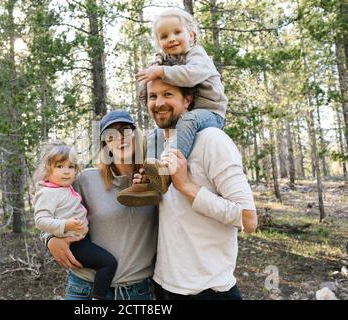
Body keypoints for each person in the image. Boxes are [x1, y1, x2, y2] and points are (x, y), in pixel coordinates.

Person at [133, 73, 257, 299]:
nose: (158, 103)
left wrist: (186, 186)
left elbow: (248, 219)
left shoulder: (212, 140)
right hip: (163, 285)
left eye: (167, 94)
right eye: (152, 96)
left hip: (208, 290)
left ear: (187, 100)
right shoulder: (159, 145)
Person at [40, 110, 158, 300]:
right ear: (105, 145)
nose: (120, 138)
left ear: (137, 136)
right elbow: (49, 207)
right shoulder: (87, 180)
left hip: (136, 292)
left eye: (126, 130)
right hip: (86, 289)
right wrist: (49, 238)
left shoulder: (155, 180)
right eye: (111, 135)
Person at [118, 8, 227, 206]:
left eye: (177, 32)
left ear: (191, 35)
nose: (172, 39)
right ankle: (148, 179)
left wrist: (160, 71)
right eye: (164, 36)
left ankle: (167, 169)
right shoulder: (168, 60)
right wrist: (155, 69)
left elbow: (190, 75)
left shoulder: (197, 56)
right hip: (192, 113)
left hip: (210, 113)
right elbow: (159, 71)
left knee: (187, 120)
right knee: (155, 135)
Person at [33, 141, 118, 300]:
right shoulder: (48, 193)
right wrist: (65, 225)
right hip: (73, 244)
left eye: (71, 167)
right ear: (47, 170)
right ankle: (98, 298)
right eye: (59, 166)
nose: (66, 172)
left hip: (81, 239)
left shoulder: (65, 187)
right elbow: (40, 220)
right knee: (108, 263)